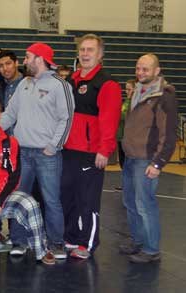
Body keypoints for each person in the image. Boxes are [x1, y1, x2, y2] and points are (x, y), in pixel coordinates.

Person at [0, 42, 75, 260]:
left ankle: (56, 243)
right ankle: (19, 241)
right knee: (17, 198)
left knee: (51, 200)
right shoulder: (24, 83)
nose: (24, 61)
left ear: (39, 59)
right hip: (22, 152)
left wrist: (54, 146)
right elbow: (9, 115)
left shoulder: (59, 85)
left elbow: (67, 117)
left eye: (27, 57)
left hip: (46, 154)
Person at [0, 98, 55, 265]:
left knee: (29, 203)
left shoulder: (11, 142)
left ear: (1, 115)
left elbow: (14, 176)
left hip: (2, 201)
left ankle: (41, 250)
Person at [62, 34, 122, 259]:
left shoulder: (107, 84)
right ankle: (70, 237)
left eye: (90, 50)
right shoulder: (72, 80)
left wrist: (104, 150)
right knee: (67, 196)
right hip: (68, 150)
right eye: (83, 50)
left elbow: (110, 119)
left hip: (91, 153)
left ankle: (87, 243)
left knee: (88, 199)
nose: (85, 54)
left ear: (100, 55)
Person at [120, 53, 178, 263]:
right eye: (137, 68)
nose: (140, 73)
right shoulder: (137, 91)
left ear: (157, 71)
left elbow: (169, 135)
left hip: (146, 160)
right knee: (130, 202)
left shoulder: (164, 96)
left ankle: (151, 249)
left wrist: (158, 163)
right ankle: (138, 241)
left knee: (145, 204)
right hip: (131, 158)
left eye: (145, 69)